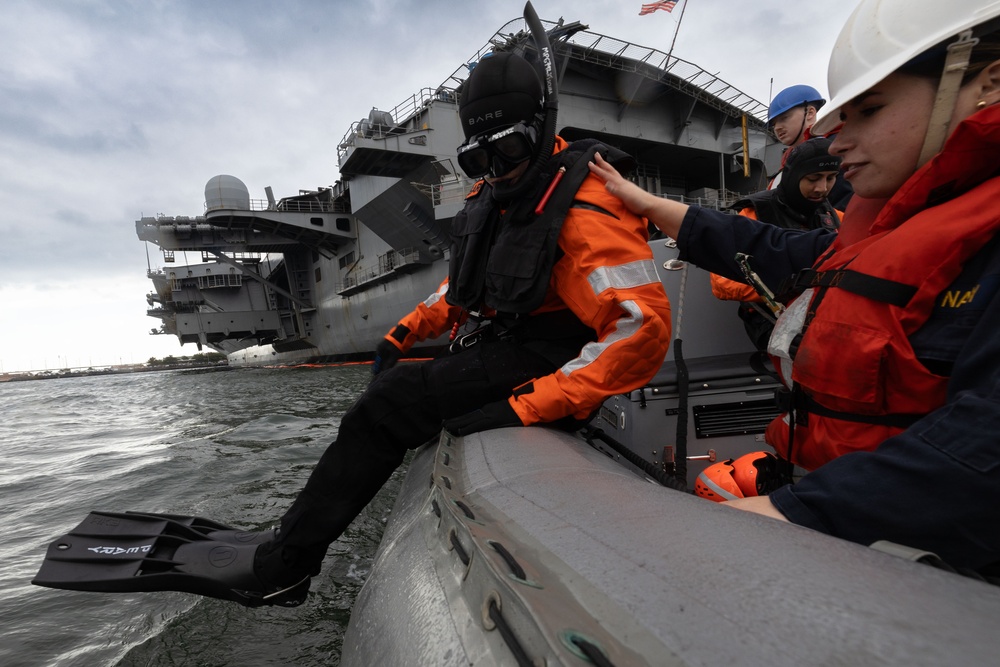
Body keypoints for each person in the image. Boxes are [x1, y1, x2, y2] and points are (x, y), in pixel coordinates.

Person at [245, 50, 673, 604]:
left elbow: (640, 329)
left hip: (558, 359)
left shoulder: (584, 208)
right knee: (395, 388)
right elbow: (470, 284)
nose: (499, 169)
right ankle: (297, 536)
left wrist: (530, 404)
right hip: (509, 343)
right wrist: (405, 331)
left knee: (387, 406)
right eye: (480, 158)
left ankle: (287, 565)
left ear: (540, 130)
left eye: (509, 149)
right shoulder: (495, 194)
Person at [588, 0, 1000, 574]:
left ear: (987, 80)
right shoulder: (887, 225)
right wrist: (648, 202)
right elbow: (770, 249)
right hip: (837, 523)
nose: (835, 143)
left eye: (868, 110)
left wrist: (795, 514)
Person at [710, 137, 842, 350]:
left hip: (827, 313)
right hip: (772, 318)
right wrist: (791, 287)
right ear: (793, 176)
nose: (822, 188)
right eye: (813, 178)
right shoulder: (753, 215)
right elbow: (722, 283)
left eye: (831, 178)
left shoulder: (838, 219)